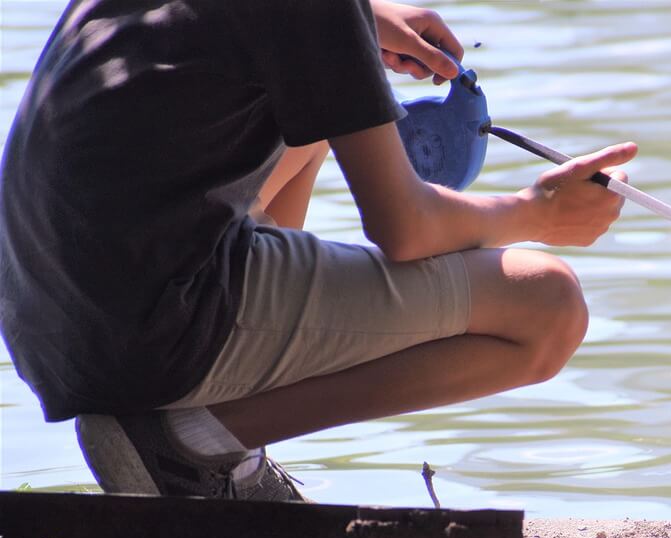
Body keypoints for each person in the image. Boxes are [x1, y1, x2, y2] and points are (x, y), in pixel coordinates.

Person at [0, 0, 636, 501]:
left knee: (313, 115)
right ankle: (195, 439)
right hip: (150, 333)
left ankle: (214, 411)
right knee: (548, 307)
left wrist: (360, 22)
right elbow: (405, 226)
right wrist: (540, 211)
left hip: (48, 321)